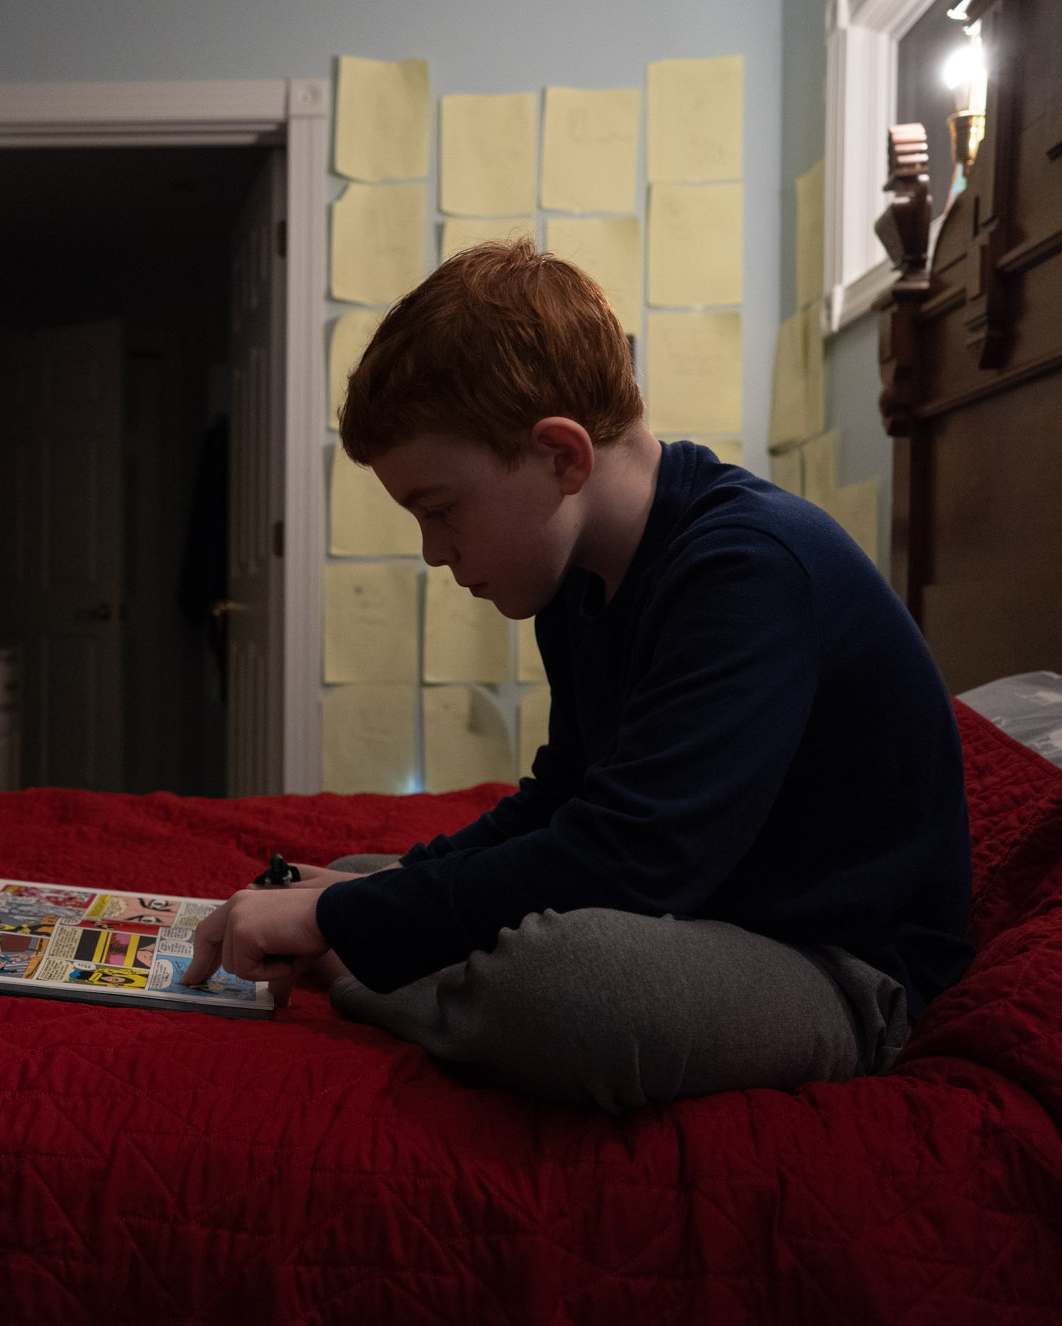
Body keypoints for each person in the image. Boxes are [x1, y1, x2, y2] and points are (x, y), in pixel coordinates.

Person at [182, 238, 974, 1111]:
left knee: (566, 987)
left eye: (440, 511)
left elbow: (638, 858)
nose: (433, 552)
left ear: (562, 457)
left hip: (835, 965)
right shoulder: (582, 578)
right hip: (704, 906)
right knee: (364, 872)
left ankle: (362, 964)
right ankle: (380, 941)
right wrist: (384, 889)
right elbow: (568, 799)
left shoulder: (748, 569)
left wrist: (344, 923)